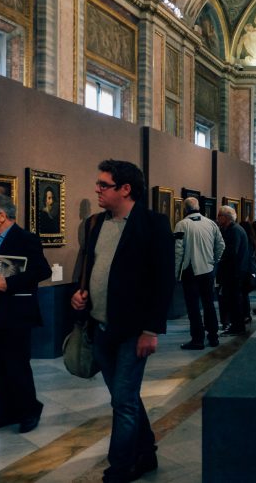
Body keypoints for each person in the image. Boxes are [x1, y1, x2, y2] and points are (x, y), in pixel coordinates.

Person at [71, 160, 173, 483]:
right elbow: (92, 268)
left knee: (123, 401)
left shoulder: (153, 224)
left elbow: (163, 281)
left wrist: (150, 330)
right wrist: (79, 296)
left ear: (125, 189)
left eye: (104, 185)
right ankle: (146, 453)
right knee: (123, 396)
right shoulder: (96, 224)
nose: (97, 190)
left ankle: (121, 466)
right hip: (100, 326)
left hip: (133, 331)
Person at [0, 193, 51, 434]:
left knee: (17, 365)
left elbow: (42, 271)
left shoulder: (26, 239)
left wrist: (10, 283)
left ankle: (30, 410)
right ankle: (6, 412)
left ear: (2, 216)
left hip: (17, 314)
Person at [174, 196, 224, 350]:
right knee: (209, 304)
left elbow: (178, 251)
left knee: (193, 306)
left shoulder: (182, 224)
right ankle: (214, 336)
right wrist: (214, 261)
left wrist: (177, 273)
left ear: (185, 209)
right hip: (208, 270)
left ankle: (197, 339)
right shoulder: (211, 223)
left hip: (190, 271)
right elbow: (221, 245)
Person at [216, 205, 250, 335]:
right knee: (234, 300)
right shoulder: (235, 229)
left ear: (225, 217)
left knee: (234, 301)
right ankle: (236, 325)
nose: (218, 218)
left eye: (219, 215)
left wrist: (218, 257)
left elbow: (231, 252)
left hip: (234, 272)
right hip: (235, 271)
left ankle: (237, 327)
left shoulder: (234, 230)